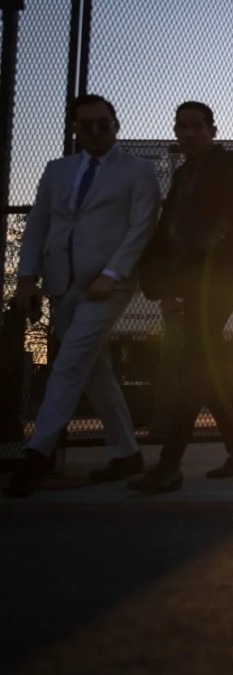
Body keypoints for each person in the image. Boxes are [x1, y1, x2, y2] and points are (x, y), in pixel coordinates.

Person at [4, 94, 161, 498]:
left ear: (116, 124)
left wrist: (112, 273)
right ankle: (127, 453)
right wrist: (27, 278)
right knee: (94, 369)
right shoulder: (57, 171)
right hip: (62, 284)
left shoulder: (137, 171)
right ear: (75, 128)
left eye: (103, 124)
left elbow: (141, 226)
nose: (95, 131)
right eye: (86, 125)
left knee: (69, 363)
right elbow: (38, 223)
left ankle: (36, 455)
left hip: (107, 283)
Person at [127, 101, 233, 494]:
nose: (188, 133)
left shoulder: (229, 167)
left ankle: (169, 465)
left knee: (194, 362)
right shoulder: (185, 172)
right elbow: (170, 224)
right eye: (182, 126)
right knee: (207, 365)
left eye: (196, 126)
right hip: (195, 278)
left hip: (222, 277)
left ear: (211, 130)